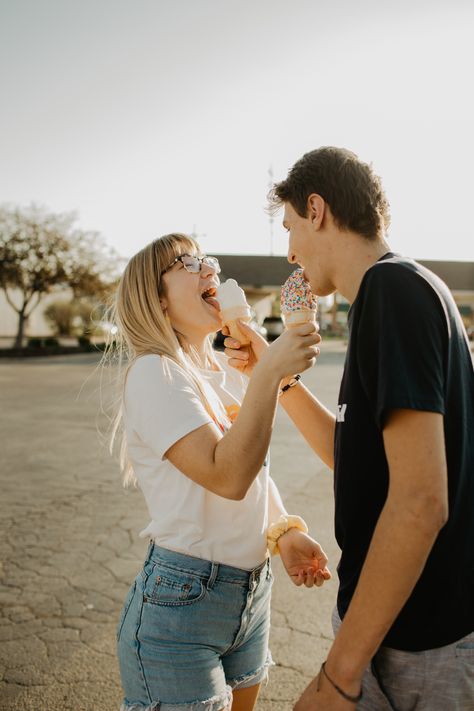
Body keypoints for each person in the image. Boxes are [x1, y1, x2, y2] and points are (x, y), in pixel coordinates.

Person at [225, 147, 474, 710]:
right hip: (405, 631)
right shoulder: (407, 289)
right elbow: (355, 456)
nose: (289, 252)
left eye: (289, 226)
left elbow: (419, 501)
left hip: (414, 642)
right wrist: (276, 373)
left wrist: (338, 676)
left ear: (317, 209)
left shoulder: (391, 292)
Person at [107, 233, 330, 711]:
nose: (210, 268)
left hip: (252, 592)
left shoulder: (224, 371)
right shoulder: (154, 373)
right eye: (188, 263)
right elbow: (225, 476)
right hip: (181, 604)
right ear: (158, 299)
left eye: (207, 258)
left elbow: (254, 477)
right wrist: (271, 371)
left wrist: (284, 530)